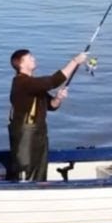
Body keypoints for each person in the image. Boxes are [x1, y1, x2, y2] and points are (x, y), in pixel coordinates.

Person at [7, 49, 87, 182]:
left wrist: (58, 98)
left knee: (39, 171)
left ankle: (38, 194)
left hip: (39, 134)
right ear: (21, 63)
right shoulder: (22, 83)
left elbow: (51, 105)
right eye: (30, 57)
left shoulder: (33, 85)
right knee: (26, 170)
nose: (34, 59)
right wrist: (74, 61)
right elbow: (53, 81)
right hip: (25, 136)